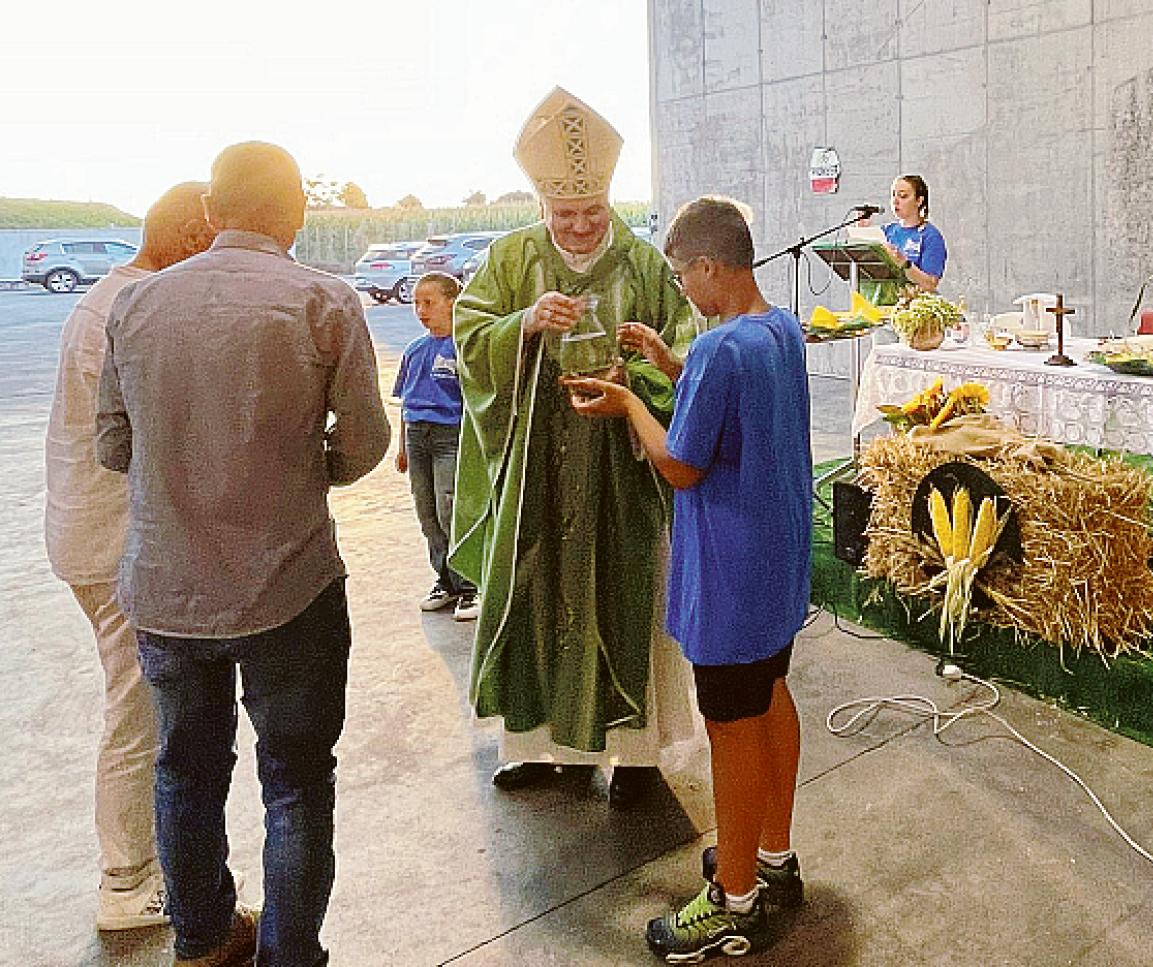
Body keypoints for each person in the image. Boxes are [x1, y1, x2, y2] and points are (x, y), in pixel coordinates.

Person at [97, 141, 390, 966]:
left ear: (211, 210)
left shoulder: (135, 303)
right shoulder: (324, 302)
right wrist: (303, 471)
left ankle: (202, 941)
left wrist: (181, 464)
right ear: (297, 214)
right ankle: (290, 953)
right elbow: (366, 441)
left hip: (166, 589)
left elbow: (112, 444)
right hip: (288, 586)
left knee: (184, 771)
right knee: (296, 781)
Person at [566, 196, 812, 961]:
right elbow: (729, 407)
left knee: (731, 730)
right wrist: (668, 365)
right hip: (777, 561)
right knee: (770, 697)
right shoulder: (779, 330)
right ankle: (772, 856)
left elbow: (680, 461)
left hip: (730, 572)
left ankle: (733, 901)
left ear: (708, 264)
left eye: (681, 275)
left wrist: (629, 401)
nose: (680, 288)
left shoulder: (717, 349)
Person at [450, 87, 701, 804]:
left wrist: (636, 376)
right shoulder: (510, 258)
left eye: (593, 210)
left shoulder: (644, 264)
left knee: (627, 597)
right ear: (543, 205)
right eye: (566, 213)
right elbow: (470, 335)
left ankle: (636, 755)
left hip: (620, 467)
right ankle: (537, 745)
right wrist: (524, 323)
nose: (583, 225)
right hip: (537, 463)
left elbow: (686, 350)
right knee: (534, 594)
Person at [45, 181, 216, 932]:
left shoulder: (111, 298)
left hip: (90, 531)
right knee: (137, 709)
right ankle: (126, 881)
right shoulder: (134, 307)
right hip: (114, 541)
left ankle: (147, 868)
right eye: (215, 242)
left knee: (140, 703)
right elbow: (151, 437)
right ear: (190, 239)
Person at [394, 270, 478, 621]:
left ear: (452, 303)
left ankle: (469, 585)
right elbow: (406, 403)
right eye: (416, 303)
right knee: (426, 510)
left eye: (429, 303)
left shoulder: (465, 349)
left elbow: (476, 404)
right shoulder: (415, 351)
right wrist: (402, 446)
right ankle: (444, 579)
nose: (421, 311)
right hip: (418, 437)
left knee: (449, 507)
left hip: (450, 436)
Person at [881, 173, 947, 292]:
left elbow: (930, 284)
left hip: (914, 300)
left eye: (903, 196)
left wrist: (905, 264)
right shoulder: (886, 231)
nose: (895, 201)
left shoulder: (930, 236)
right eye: (893, 195)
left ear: (919, 201)